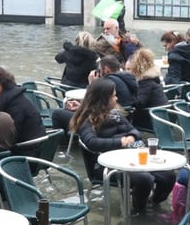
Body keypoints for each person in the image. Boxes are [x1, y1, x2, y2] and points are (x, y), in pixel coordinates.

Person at [73, 79, 176, 213]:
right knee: (144, 179)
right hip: (107, 165)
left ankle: (154, 203)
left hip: (131, 156)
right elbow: (92, 142)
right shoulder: (87, 119)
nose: (117, 98)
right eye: (113, 96)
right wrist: (120, 142)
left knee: (168, 175)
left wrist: (132, 137)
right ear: (103, 99)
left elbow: (134, 130)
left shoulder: (116, 114)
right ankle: (139, 211)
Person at [0, 66, 46, 152]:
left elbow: (11, 135)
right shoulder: (15, 96)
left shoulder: (13, 104)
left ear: (4, 85)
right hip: (36, 145)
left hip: (28, 151)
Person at [125, 48, 168, 131]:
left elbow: (139, 103)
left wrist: (129, 94)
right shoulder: (153, 79)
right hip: (161, 116)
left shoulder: (145, 82)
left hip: (152, 119)